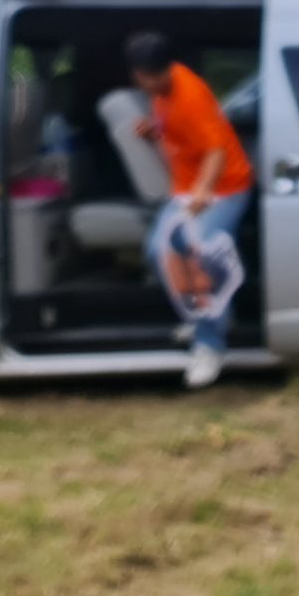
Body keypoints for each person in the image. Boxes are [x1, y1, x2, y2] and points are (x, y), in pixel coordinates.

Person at [126, 32, 254, 389]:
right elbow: (180, 136)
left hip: (225, 187)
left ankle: (210, 344)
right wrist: (153, 133)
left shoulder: (191, 93)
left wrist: (203, 190)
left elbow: (216, 151)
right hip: (186, 188)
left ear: (169, 68)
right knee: (158, 253)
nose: (151, 83)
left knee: (199, 255)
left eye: (157, 75)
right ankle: (205, 318)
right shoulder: (158, 94)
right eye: (144, 77)